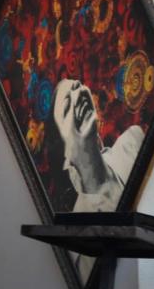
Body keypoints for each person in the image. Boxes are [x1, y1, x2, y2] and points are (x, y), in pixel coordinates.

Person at [53, 78, 142, 213]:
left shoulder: (132, 143)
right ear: (66, 154)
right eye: (67, 105)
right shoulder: (80, 220)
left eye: (78, 87)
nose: (79, 94)